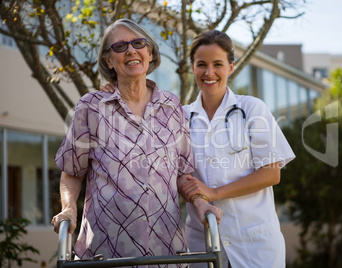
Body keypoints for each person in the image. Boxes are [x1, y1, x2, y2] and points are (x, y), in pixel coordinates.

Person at [101, 30, 295, 268]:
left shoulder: (252, 109)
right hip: (202, 243)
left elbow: (271, 173)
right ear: (192, 67)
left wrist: (214, 192)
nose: (209, 72)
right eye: (201, 64)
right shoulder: (177, 115)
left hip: (255, 245)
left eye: (218, 64)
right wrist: (119, 94)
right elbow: (142, 141)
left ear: (231, 67)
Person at [51, 19, 221, 266]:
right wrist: (69, 208)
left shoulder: (172, 107)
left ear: (149, 53)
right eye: (119, 47)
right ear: (109, 61)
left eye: (138, 43)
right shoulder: (91, 107)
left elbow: (182, 175)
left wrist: (201, 203)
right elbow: (72, 172)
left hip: (166, 252)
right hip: (104, 251)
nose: (131, 50)